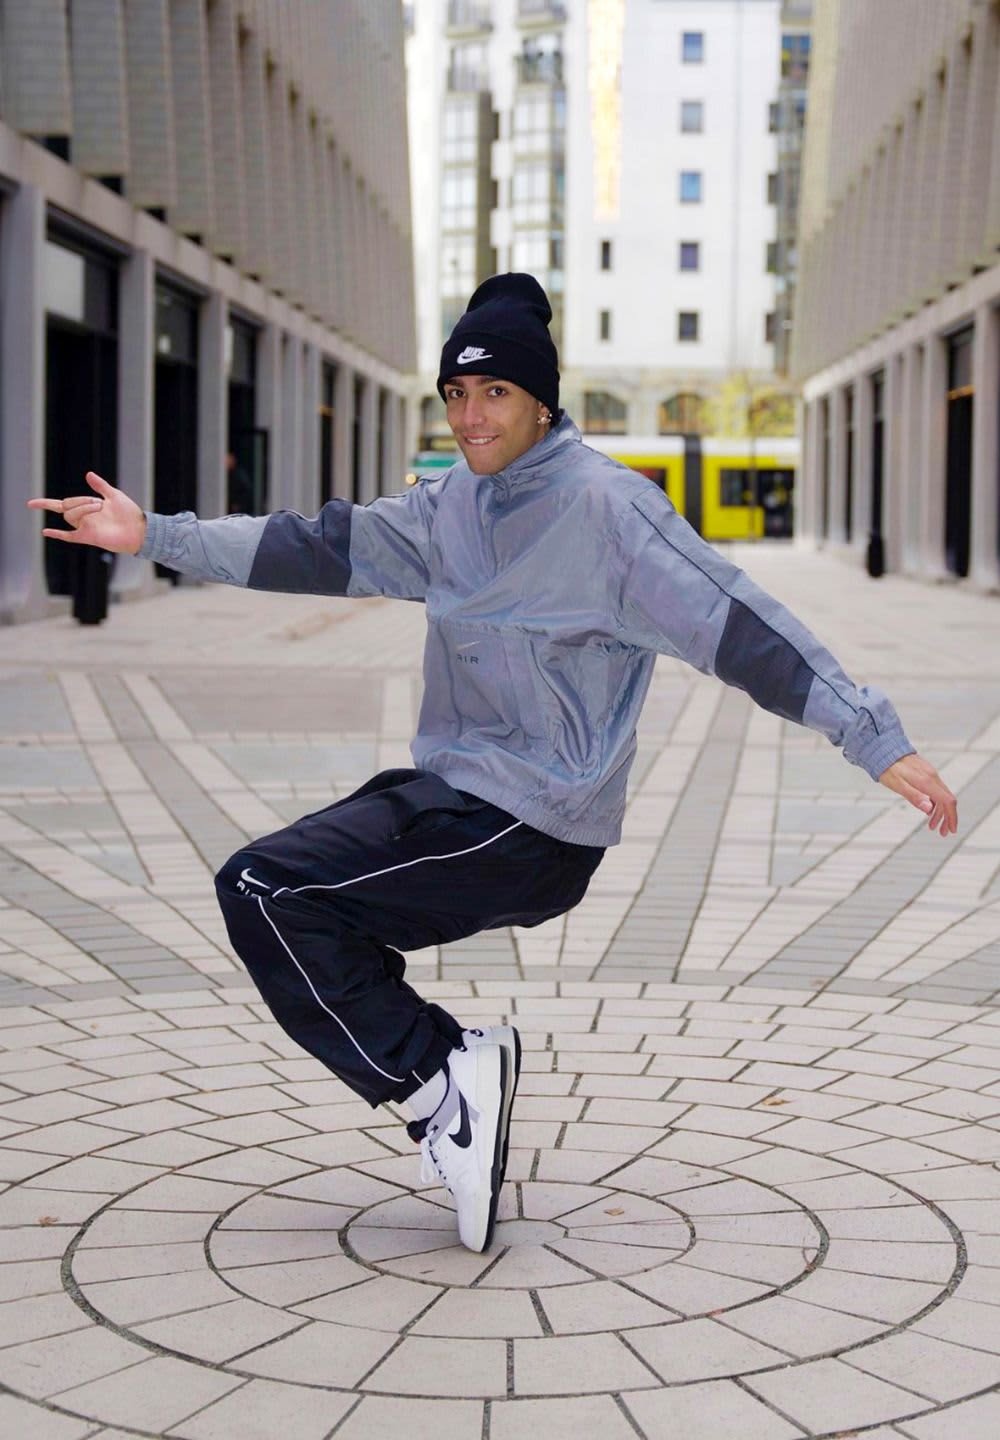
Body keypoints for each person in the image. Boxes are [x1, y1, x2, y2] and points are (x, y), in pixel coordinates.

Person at [28, 273, 958, 1254]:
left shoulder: (611, 513)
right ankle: (448, 1071)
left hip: (533, 826)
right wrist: (156, 536)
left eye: (496, 393)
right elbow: (314, 546)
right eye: (456, 394)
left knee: (272, 891)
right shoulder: (449, 510)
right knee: (274, 891)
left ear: (542, 401)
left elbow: (740, 628)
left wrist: (872, 737)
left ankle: (443, 1086)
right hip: (454, 798)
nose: (471, 417)